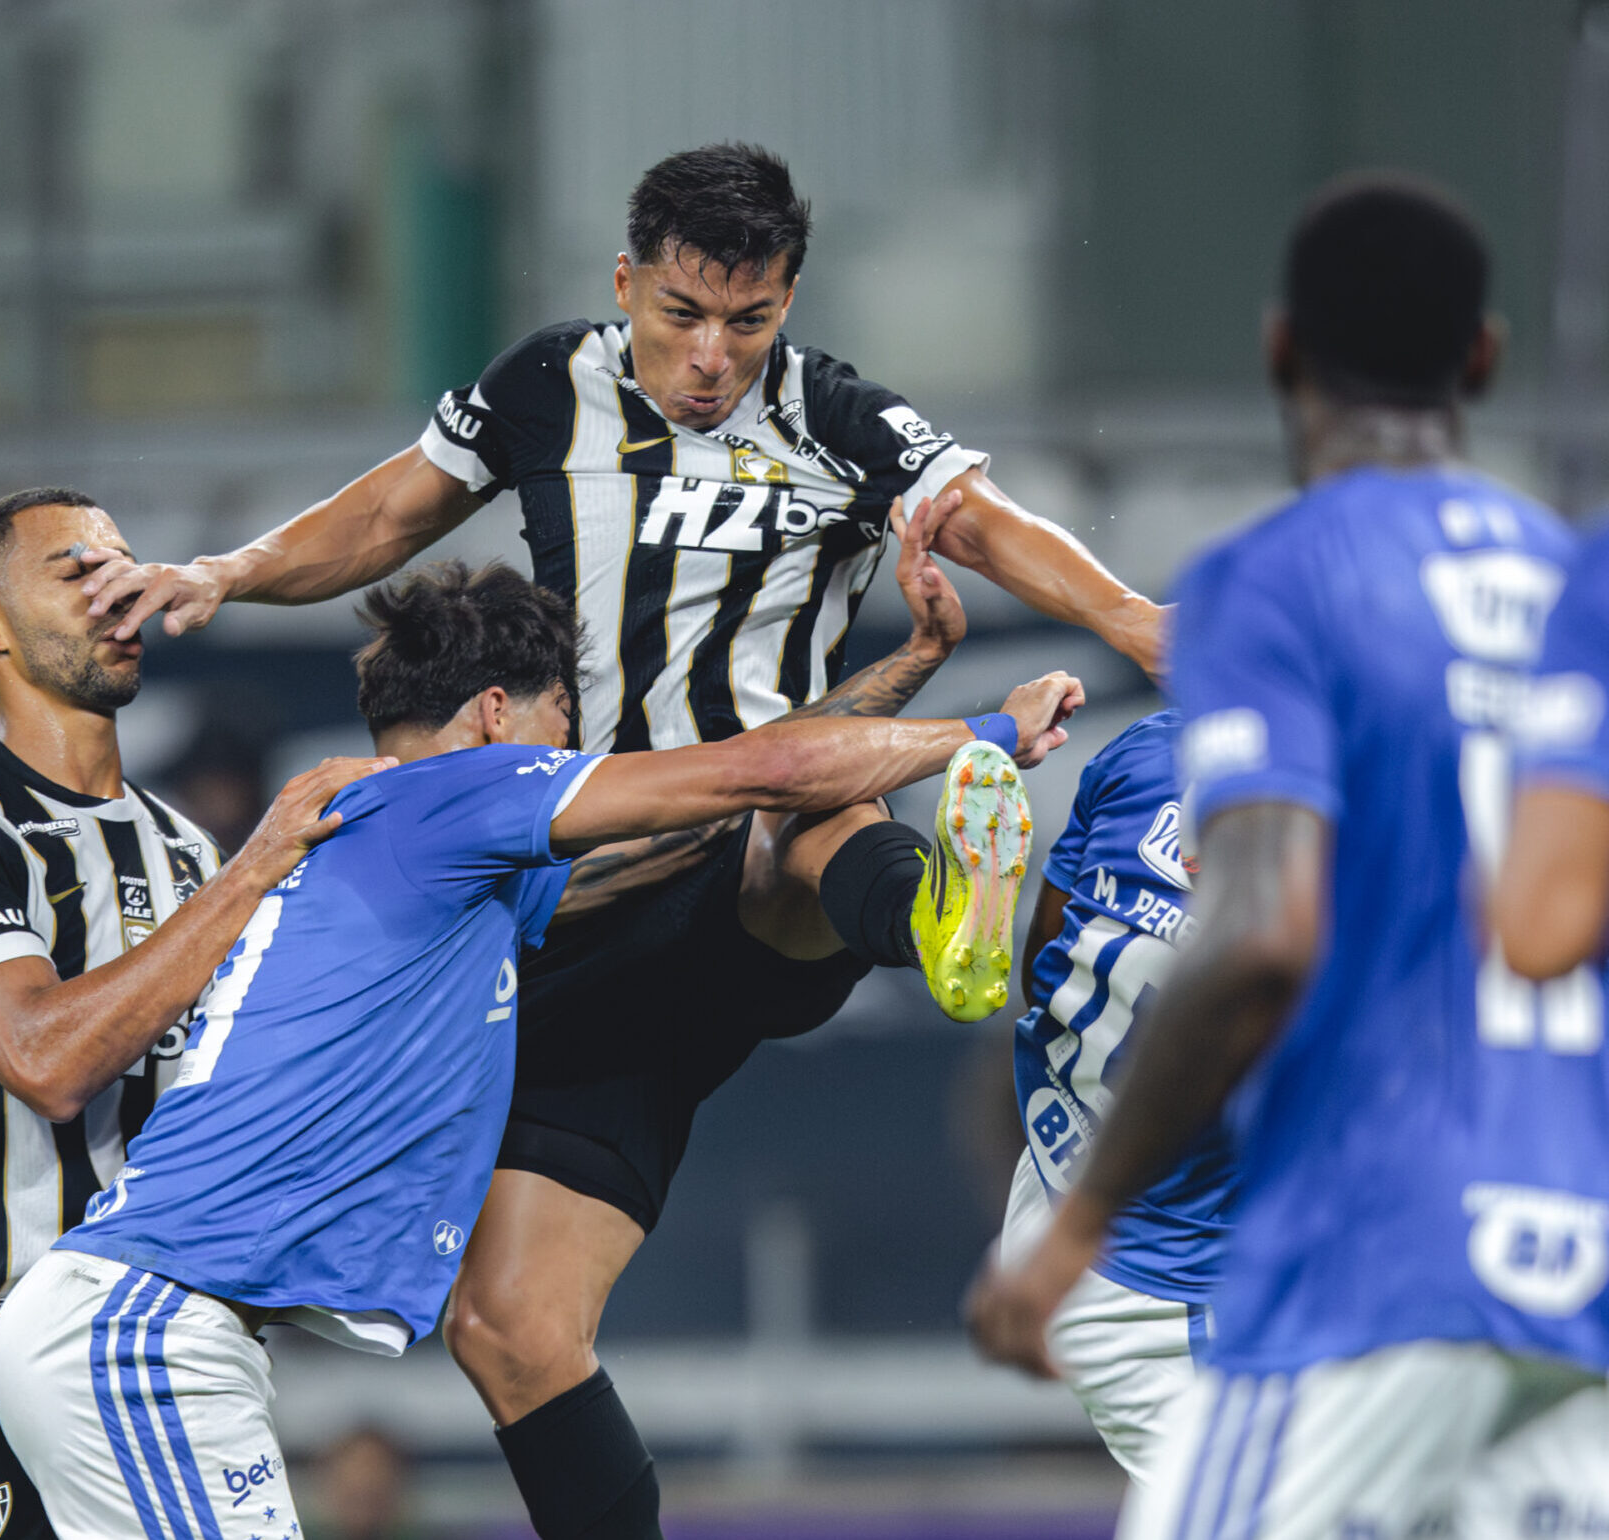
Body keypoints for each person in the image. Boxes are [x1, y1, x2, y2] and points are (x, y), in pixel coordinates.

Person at [74, 143, 1158, 1537]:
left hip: (762, 836)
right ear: (627, 283)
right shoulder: (546, 387)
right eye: (683, 317)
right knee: (510, 1328)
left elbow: (988, 524)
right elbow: (395, 510)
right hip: (578, 918)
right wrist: (225, 569)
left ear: (788, 304)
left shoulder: (833, 418)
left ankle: (952, 917)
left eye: (750, 321)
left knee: (793, 823)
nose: (714, 357)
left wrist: (1141, 626)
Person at [0, 557, 1085, 1540]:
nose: (573, 748)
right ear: (497, 711)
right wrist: (986, 732)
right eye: (564, 717)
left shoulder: (375, 840)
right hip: (143, 1332)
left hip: (125, 1327)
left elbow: (710, 827)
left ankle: (924, 919)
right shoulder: (455, 798)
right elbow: (760, 774)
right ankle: (926, 913)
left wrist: (904, 665)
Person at [966, 176, 1609, 1536]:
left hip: (1375, 1269)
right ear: (1482, 358)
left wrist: (1072, 1236)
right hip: (1571, 1263)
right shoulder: (1570, 583)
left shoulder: (1281, 580)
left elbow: (1260, 937)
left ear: (1280, 351)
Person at [0, 487, 387, 1540]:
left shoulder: (192, 852)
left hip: (161, 1363)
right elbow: (44, 1059)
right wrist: (255, 875)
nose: (118, 593)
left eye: (123, 567)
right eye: (74, 571)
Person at [993, 710, 1234, 1488]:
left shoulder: (1146, 748)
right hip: (1176, 1280)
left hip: (1061, 1181)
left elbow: (1042, 960)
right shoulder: (1379, 816)